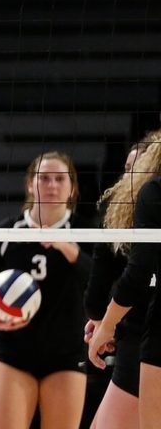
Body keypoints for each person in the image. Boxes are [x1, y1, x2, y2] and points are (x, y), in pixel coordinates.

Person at [0, 150, 91, 429]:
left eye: (60, 179)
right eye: (44, 178)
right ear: (29, 184)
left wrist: (69, 250)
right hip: (15, 354)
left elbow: (101, 283)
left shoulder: (86, 232)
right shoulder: (8, 231)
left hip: (66, 355)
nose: (51, 185)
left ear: (72, 188)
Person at [82, 133, 160, 429]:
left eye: (135, 169)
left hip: (144, 338)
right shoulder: (117, 217)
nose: (129, 177)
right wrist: (102, 321)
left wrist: (106, 323)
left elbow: (133, 277)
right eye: (127, 169)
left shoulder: (147, 199)